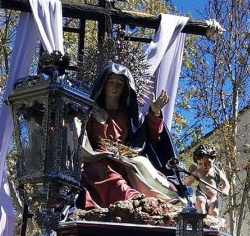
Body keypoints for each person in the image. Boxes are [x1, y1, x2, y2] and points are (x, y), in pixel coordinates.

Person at [80, 63, 179, 208]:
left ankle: (162, 200)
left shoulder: (132, 117)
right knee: (103, 169)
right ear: (104, 84)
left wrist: (154, 113)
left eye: (120, 84)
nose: (115, 88)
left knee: (158, 181)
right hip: (98, 159)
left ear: (126, 88)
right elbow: (80, 138)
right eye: (111, 83)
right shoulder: (89, 113)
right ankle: (133, 199)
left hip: (127, 160)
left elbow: (151, 139)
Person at [183, 145, 230, 216]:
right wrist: (190, 178)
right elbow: (186, 184)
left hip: (213, 197)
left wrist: (225, 190)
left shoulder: (216, 171)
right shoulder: (198, 171)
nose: (204, 166)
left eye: (208, 163)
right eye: (200, 164)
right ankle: (200, 218)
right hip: (201, 194)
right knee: (201, 203)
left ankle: (210, 221)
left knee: (214, 212)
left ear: (213, 159)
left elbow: (225, 182)